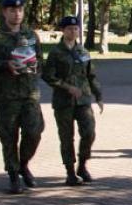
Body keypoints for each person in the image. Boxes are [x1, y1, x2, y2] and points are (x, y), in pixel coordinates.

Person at [0, 0, 45, 194]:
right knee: (8, 137)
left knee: (34, 132)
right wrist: (6, 65)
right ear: (4, 12)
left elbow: (40, 60)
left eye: (20, 10)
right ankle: (13, 175)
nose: (16, 14)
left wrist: (34, 65)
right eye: (12, 10)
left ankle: (23, 163)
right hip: (7, 96)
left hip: (29, 93)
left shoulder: (32, 35)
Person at [42, 16, 104, 185]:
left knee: (89, 133)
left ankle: (82, 166)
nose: (73, 31)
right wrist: (67, 87)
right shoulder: (56, 53)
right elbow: (48, 76)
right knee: (66, 137)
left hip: (83, 101)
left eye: (76, 29)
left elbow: (91, 75)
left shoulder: (83, 51)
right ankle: (70, 172)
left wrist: (98, 96)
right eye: (69, 29)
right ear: (63, 30)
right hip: (63, 102)